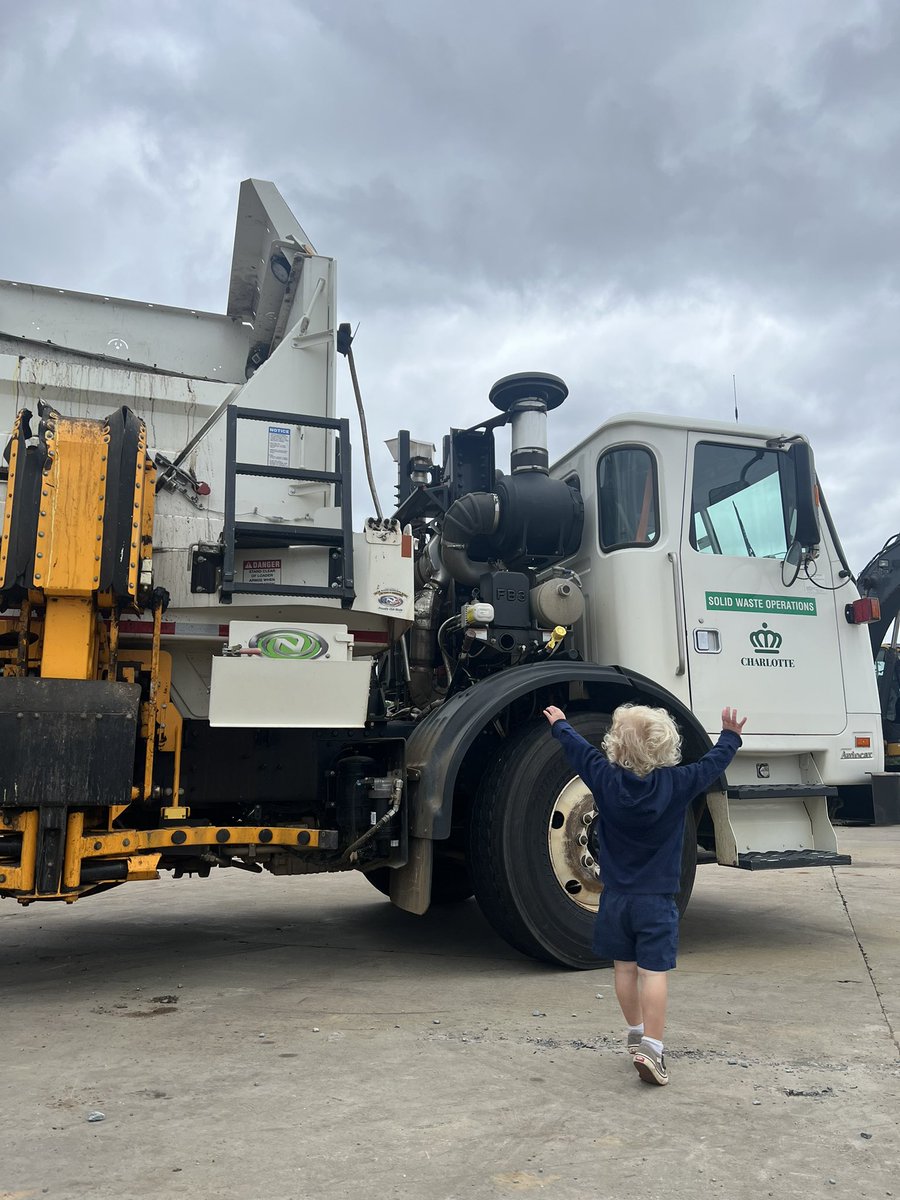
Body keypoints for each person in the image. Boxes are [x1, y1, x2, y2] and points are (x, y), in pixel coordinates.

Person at [542, 702, 746, 1086]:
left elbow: (580, 753)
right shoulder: (677, 783)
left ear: (615, 746)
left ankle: (635, 1031)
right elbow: (712, 765)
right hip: (656, 900)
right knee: (653, 972)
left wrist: (562, 726)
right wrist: (730, 737)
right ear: (665, 746)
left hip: (616, 898)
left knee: (624, 969)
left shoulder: (603, 778)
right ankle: (652, 1046)